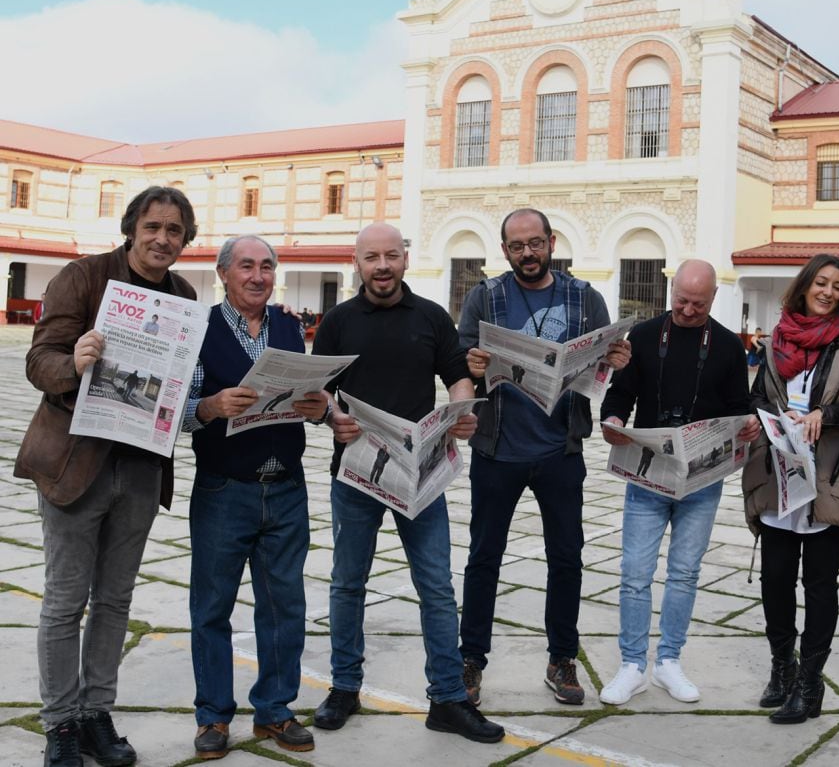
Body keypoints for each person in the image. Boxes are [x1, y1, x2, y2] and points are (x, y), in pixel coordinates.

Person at [18, 186, 198, 767]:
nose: (162, 239)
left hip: (141, 468)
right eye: (153, 227)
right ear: (131, 228)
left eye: (174, 231)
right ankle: (60, 725)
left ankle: (97, 714)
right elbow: (38, 361)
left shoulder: (183, 295)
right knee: (66, 601)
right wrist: (75, 362)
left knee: (115, 601)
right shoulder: (83, 277)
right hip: (77, 463)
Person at [311, 222, 504, 744]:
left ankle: (447, 697)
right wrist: (333, 417)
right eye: (371, 257)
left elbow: (456, 374)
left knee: (436, 587)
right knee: (348, 584)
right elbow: (316, 391)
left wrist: (462, 411)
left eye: (390, 256)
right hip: (355, 472)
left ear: (404, 260)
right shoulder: (337, 321)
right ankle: (345, 686)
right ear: (357, 262)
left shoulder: (431, 317)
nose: (381, 266)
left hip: (420, 475)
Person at [458, 208, 631, 706]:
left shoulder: (584, 298)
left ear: (551, 242)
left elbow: (604, 367)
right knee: (483, 557)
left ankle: (561, 658)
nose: (527, 253)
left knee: (567, 558)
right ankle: (471, 661)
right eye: (517, 246)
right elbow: (462, 365)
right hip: (498, 449)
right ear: (505, 250)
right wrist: (469, 364)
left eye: (535, 243)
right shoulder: (485, 297)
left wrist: (614, 361)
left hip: (560, 449)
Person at [182, 235, 327, 759]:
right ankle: (214, 717)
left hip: (286, 487)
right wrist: (211, 406)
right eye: (247, 266)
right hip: (225, 489)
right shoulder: (200, 328)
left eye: (267, 266)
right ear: (223, 272)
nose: (259, 276)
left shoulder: (289, 325)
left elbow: (307, 395)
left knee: (284, 606)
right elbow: (176, 412)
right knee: (212, 607)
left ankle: (274, 710)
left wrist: (318, 407)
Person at [597, 260, 750, 705]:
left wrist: (746, 428)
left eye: (697, 305)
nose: (686, 310)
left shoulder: (727, 345)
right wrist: (612, 419)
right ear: (672, 291)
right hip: (648, 472)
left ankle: (668, 661)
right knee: (634, 573)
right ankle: (631, 664)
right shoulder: (644, 337)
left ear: (713, 299)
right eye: (680, 300)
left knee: (684, 573)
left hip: (701, 477)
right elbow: (620, 393)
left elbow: (739, 405)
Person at [739, 254, 839, 725]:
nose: (828, 292)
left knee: (820, 584)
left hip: (833, 475)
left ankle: (810, 683)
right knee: (775, 578)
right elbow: (760, 395)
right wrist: (773, 420)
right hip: (781, 470)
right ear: (803, 287)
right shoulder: (777, 339)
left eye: (837, 286)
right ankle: (782, 667)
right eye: (820, 283)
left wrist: (827, 414)